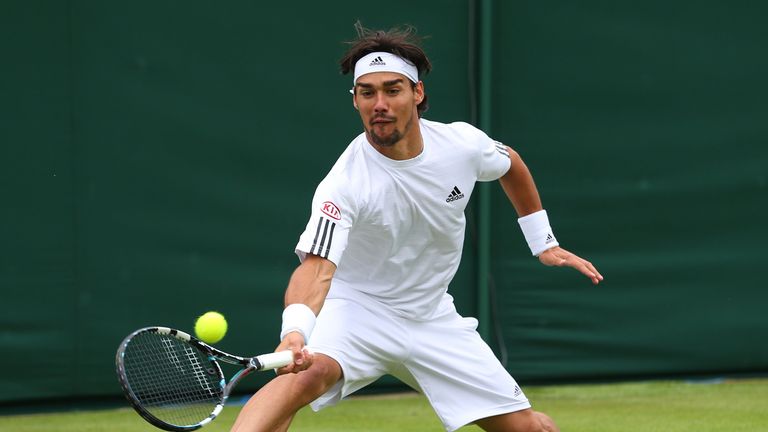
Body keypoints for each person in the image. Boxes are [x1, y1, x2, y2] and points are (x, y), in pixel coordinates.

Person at [232, 23, 603, 432]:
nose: (380, 103)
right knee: (303, 376)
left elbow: (510, 163)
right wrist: (296, 332)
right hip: (359, 310)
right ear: (354, 100)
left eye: (393, 90)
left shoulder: (462, 145)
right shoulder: (343, 184)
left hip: (432, 315)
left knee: (528, 429)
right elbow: (317, 268)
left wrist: (542, 241)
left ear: (417, 93)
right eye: (367, 92)